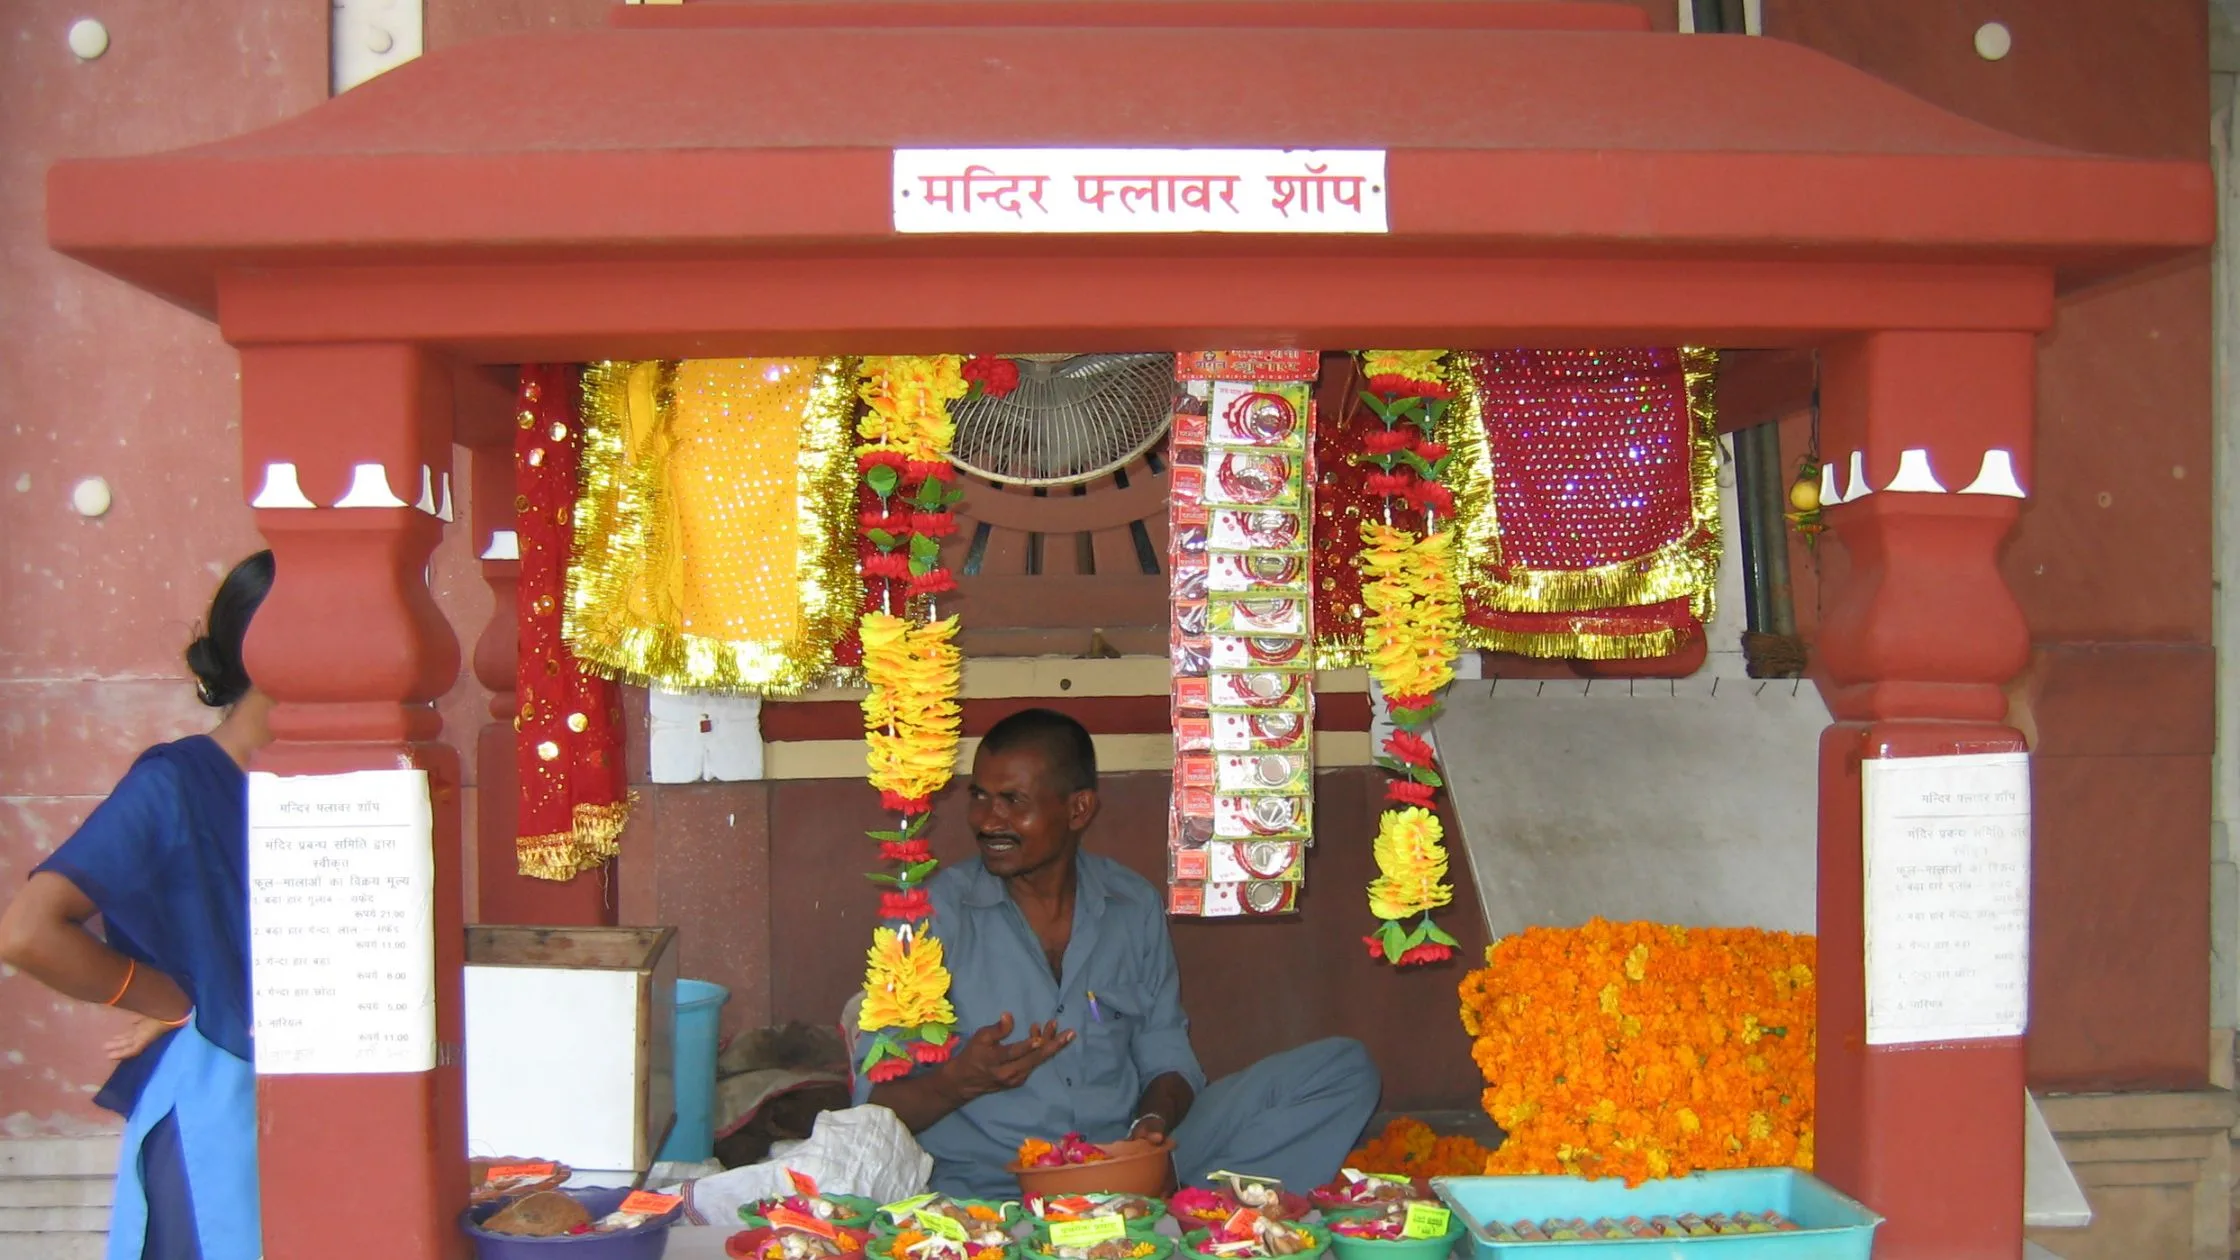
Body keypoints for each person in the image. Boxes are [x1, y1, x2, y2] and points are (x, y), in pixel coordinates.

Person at [856, 708, 1379, 1199]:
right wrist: (958, 1081)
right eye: (979, 796)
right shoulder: (926, 920)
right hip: (993, 1189)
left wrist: (1148, 1128)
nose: (987, 821)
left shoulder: (1131, 905)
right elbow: (872, 1108)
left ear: (1078, 808)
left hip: (1123, 1170)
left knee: (1342, 1069)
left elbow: (1168, 1055)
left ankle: (1193, 1218)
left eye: (1013, 801)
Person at [0, 551, 274, 1260]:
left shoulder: (341, 778)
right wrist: (169, 999)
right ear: (269, 647)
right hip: (219, 1107)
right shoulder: (175, 784)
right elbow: (28, 931)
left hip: (323, 1106)